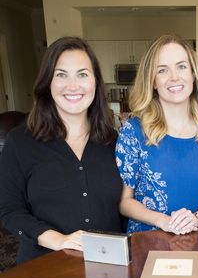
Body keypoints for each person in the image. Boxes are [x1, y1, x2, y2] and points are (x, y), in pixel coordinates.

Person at [0, 37, 124, 263]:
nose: (73, 85)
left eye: (83, 74)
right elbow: (9, 210)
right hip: (45, 267)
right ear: (48, 82)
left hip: (108, 266)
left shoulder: (115, 142)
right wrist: (58, 239)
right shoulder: (20, 142)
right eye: (61, 74)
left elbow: (125, 207)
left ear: (96, 82)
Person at [116, 34, 198, 235]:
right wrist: (165, 222)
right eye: (162, 70)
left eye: (181, 66)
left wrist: (196, 218)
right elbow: (125, 202)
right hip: (147, 243)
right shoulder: (133, 132)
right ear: (152, 81)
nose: (174, 77)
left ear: (193, 74)